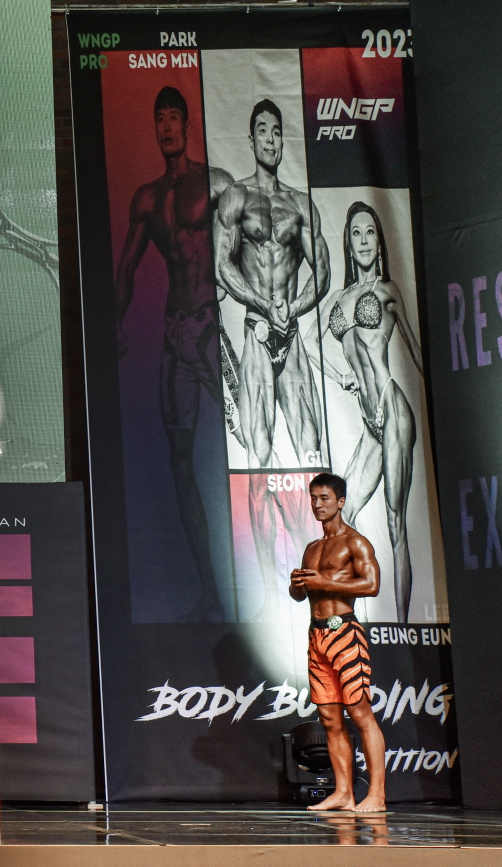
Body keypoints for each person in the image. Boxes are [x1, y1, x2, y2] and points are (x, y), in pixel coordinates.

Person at [113, 86, 234, 621]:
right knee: (180, 463)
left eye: (173, 118)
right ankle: (211, 594)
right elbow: (126, 268)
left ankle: (278, 583)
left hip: (212, 331)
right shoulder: (147, 198)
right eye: (158, 119)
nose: (165, 128)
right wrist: (116, 322)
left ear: (187, 125)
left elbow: (252, 244)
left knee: (254, 448)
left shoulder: (216, 184)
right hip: (174, 336)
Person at [215, 99, 331, 612]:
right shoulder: (236, 198)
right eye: (261, 131)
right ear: (251, 139)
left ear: (283, 139)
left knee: (311, 454)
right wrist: (265, 305)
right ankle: (267, 588)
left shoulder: (300, 204)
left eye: (276, 131)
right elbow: (222, 265)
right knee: (258, 462)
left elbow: (322, 270)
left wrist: (295, 307)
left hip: (292, 332)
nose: (270, 139)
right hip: (259, 334)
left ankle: (319, 576)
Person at [307, 202, 422, 622]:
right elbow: (310, 342)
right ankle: (354, 620)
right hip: (370, 422)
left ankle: (403, 627)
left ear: (380, 240)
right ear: (348, 242)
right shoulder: (339, 299)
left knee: (395, 522)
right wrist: (341, 376)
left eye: (370, 232)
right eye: (356, 233)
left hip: (393, 409)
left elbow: (414, 348)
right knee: (346, 513)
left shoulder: (388, 291)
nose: (364, 240)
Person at [289, 472, 386, 813]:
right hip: (316, 635)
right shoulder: (312, 548)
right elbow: (301, 595)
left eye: (325, 498)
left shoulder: (355, 542)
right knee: (329, 718)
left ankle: (376, 795)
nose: (317, 504)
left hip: (344, 633)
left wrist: (325, 582)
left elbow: (371, 585)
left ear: (340, 502)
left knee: (360, 713)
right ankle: (344, 793)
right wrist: (297, 585)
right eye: (313, 498)